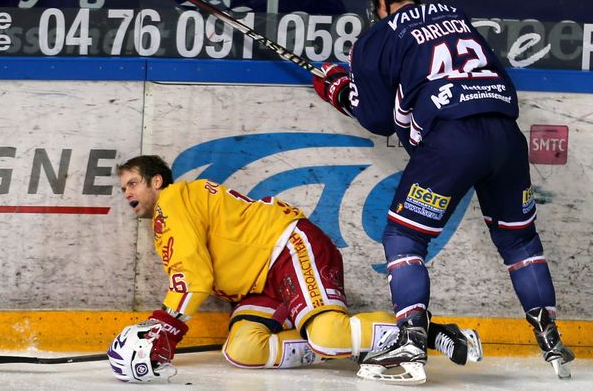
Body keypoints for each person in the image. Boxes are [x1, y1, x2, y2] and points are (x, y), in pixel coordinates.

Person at [312, 0, 574, 383]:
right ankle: (551, 342)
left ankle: (411, 341)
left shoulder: (377, 35)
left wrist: (337, 87)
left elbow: (378, 117)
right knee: (520, 242)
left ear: (380, 2)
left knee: (403, 236)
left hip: (452, 141)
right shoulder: (455, 14)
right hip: (506, 136)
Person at [107, 154, 483, 384]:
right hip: (261, 284)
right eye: (125, 188)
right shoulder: (180, 204)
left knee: (328, 335)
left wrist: (168, 326)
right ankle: (357, 344)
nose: (128, 194)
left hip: (287, 247)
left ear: (157, 182)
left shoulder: (171, 202)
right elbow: (195, 271)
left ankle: (427, 333)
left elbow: (194, 277)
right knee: (242, 350)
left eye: (134, 184)